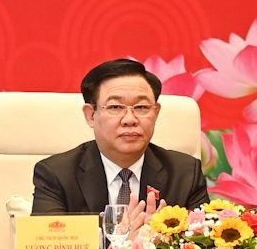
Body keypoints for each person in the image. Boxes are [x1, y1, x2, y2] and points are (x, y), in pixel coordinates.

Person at [29, 58, 210, 225]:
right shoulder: (56, 174)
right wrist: (124, 245)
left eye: (141, 107)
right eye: (115, 107)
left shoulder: (185, 174)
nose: (130, 119)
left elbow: (202, 248)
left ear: (155, 113)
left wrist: (159, 243)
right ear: (91, 115)